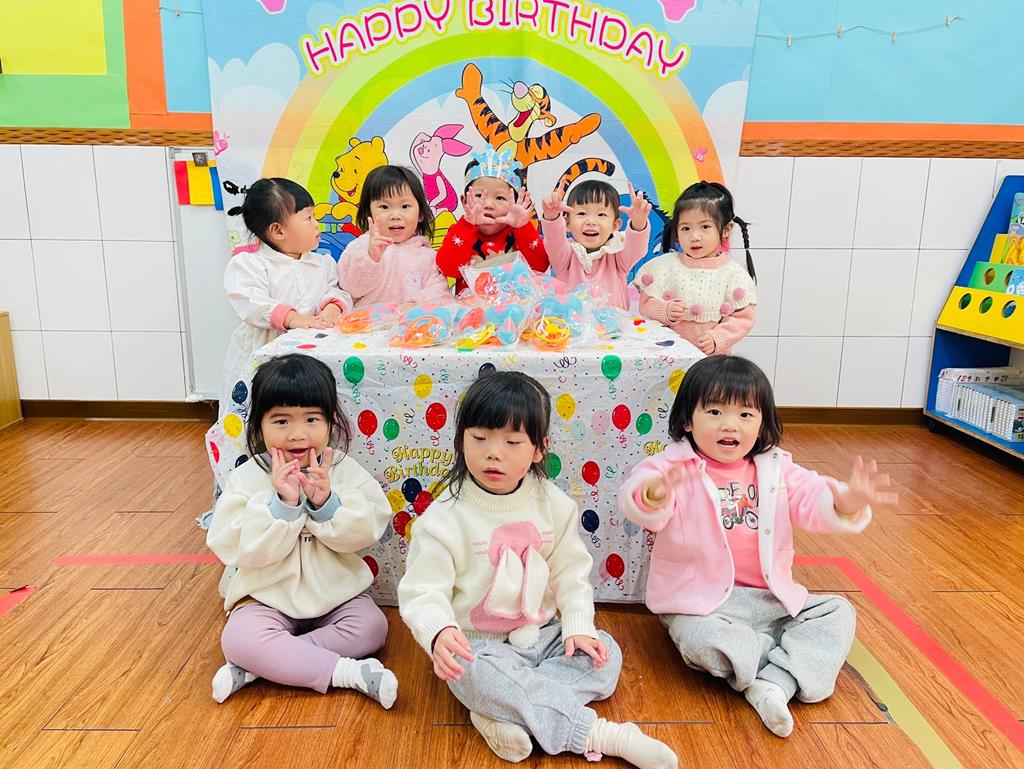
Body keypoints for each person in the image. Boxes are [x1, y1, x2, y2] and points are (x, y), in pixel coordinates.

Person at [399, 371, 677, 768]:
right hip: (478, 646)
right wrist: (440, 631)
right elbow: (422, 591)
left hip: (542, 635)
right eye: (479, 439)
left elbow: (571, 573)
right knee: (469, 672)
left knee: (605, 654)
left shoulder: (554, 504)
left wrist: (578, 626)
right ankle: (599, 734)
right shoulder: (443, 518)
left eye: (512, 442)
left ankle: (505, 711)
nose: (493, 453)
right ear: (461, 441)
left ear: (539, 449)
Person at [619, 355, 897, 737]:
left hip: (770, 600)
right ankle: (779, 669)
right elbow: (638, 497)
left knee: (838, 613)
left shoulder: (776, 467)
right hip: (702, 605)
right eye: (714, 411)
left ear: (762, 422)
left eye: (746, 414)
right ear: (687, 420)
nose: (730, 424)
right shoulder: (673, 466)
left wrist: (846, 502)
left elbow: (813, 497)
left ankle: (771, 682)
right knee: (702, 642)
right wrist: (655, 493)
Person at [207, 353, 397, 708]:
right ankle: (346, 673)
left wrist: (327, 504)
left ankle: (262, 666)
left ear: (331, 423)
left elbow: (370, 527)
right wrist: (283, 504)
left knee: (373, 626)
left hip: (336, 596)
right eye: (281, 421)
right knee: (240, 638)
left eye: (312, 419)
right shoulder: (247, 477)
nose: (297, 434)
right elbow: (232, 544)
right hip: (266, 597)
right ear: (258, 427)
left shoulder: (343, 469)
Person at [221, 178, 351, 416]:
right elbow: (250, 301)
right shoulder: (249, 265)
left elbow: (337, 289)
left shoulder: (322, 264)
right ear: (278, 231)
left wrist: (333, 306)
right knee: (260, 411)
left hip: (314, 355)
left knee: (309, 407)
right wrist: (291, 318)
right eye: (308, 218)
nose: (317, 224)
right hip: (264, 355)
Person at [633, 181, 756, 354]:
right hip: (667, 360)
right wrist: (664, 310)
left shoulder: (733, 275)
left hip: (711, 362)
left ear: (726, 230)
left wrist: (717, 338)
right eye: (686, 228)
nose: (694, 237)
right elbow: (646, 304)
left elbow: (742, 318)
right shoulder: (665, 266)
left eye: (705, 227)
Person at [436, 148, 549, 294]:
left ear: (516, 203)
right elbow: (447, 268)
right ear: (464, 201)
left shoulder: (519, 233)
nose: (489, 204)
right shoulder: (459, 232)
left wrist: (523, 227)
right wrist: (467, 225)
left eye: (500, 198)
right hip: (470, 307)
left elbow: (540, 267)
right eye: (479, 195)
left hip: (516, 306)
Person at [337, 165, 451, 306]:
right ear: (368, 213)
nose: (395, 215)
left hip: (412, 318)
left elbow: (441, 294)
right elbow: (350, 288)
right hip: (366, 319)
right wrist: (371, 258)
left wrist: (415, 304)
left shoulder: (428, 257)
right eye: (384, 207)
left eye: (405, 206)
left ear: (420, 214)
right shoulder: (361, 246)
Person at [540, 180, 651, 310]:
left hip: (615, 322)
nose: (591, 221)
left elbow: (636, 249)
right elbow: (554, 240)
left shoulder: (617, 254)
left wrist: (638, 223)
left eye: (601, 214)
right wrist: (552, 217)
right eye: (582, 213)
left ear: (615, 225)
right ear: (567, 223)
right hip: (571, 321)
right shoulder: (565, 256)